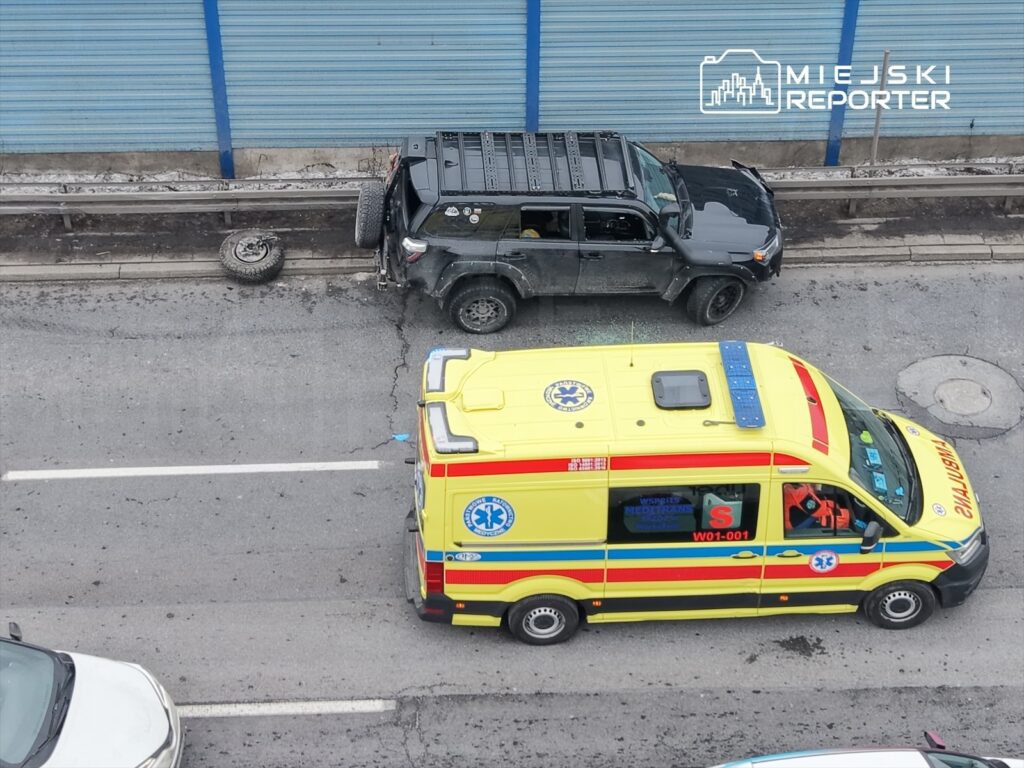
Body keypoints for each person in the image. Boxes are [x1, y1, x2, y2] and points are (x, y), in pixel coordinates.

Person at [783, 483, 851, 532]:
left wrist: (831, 503)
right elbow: (819, 511)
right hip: (795, 526)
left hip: (794, 517)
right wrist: (845, 512)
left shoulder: (792, 485)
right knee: (833, 518)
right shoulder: (798, 492)